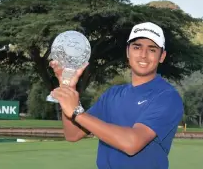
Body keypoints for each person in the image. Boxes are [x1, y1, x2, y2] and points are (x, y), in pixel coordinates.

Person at [50, 22, 184, 169]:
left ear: (162, 56)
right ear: (128, 51)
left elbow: (132, 143)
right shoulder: (112, 95)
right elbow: (73, 134)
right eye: (137, 47)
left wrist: (77, 113)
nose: (143, 55)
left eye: (152, 49)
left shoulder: (167, 97)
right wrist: (67, 88)